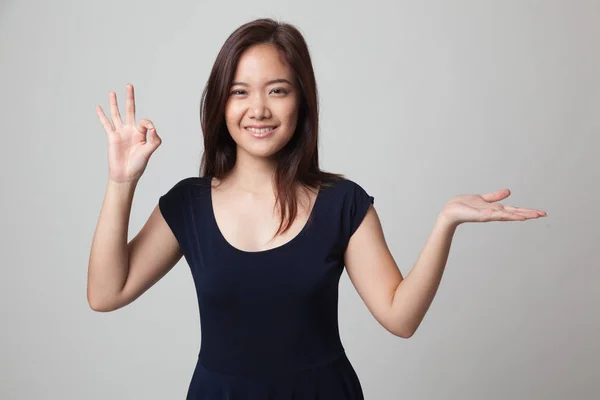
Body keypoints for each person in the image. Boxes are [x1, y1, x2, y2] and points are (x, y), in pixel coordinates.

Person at [87, 18, 547, 400]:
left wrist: (445, 222)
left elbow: (400, 318)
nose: (259, 109)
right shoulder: (188, 202)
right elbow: (106, 294)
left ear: (302, 101)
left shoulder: (342, 203)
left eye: (278, 91)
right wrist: (121, 182)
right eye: (240, 91)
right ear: (221, 103)